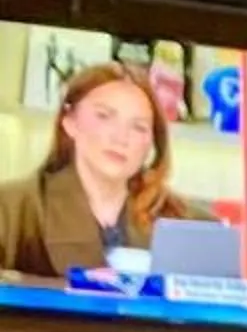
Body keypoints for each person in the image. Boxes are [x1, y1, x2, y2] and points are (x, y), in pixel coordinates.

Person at [0, 63, 192, 279]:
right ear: (70, 121)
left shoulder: (186, 222)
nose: (121, 138)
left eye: (138, 127)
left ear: (152, 143)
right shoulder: (12, 209)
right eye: (104, 116)